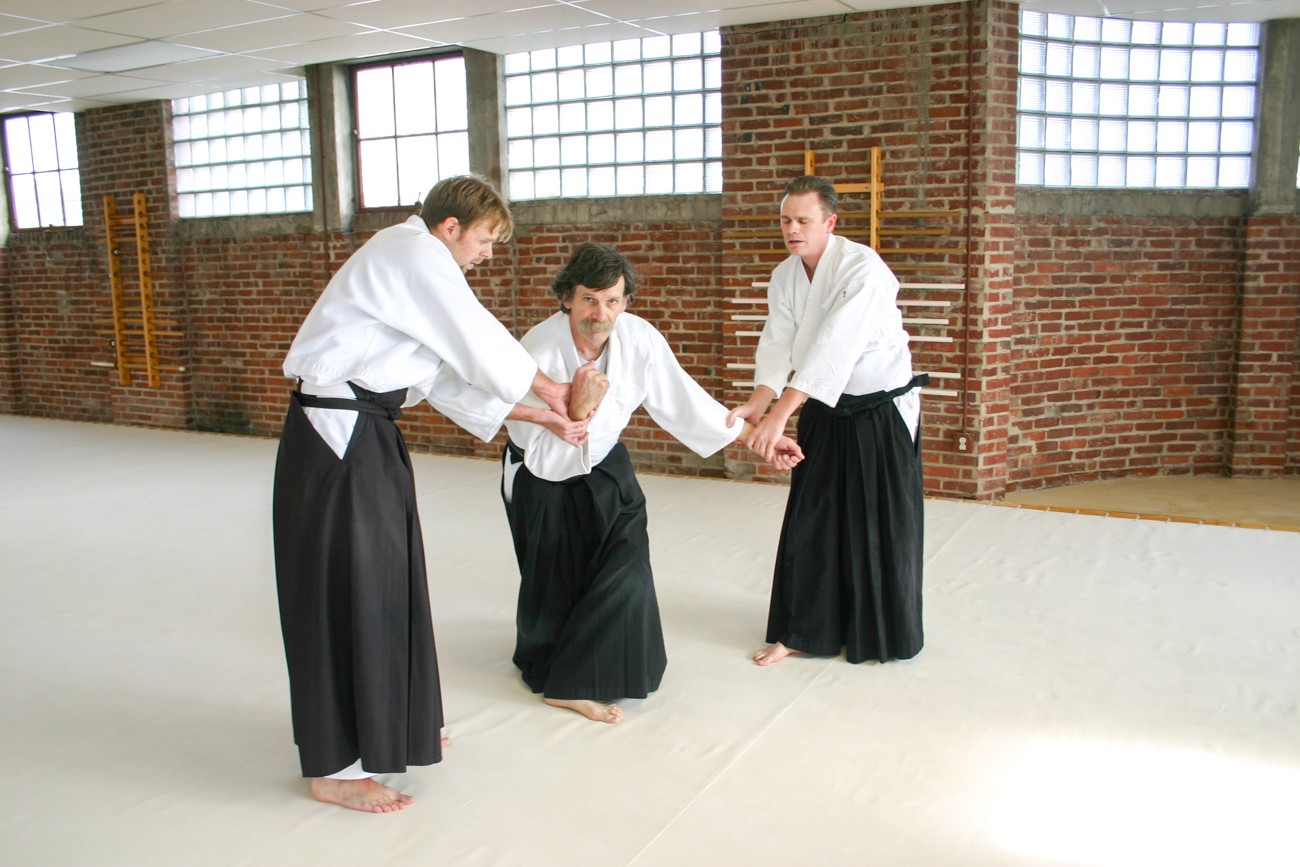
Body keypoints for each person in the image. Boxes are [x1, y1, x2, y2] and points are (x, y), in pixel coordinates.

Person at [272, 175, 583, 813]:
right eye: (486, 239)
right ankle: (335, 765)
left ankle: (395, 725)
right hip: (336, 436)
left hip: (367, 432)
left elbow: (442, 374)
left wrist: (538, 415)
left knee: (389, 580)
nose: (489, 253)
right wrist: (552, 389)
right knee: (350, 589)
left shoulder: (413, 275)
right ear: (450, 228)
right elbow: (473, 335)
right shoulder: (411, 254)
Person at [495, 243, 802, 723]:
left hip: (606, 466)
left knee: (627, 567)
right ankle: (562, 682)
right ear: (566, 299)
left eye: (613, 301)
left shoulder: (639, 340)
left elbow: (685, 401)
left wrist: (751, 438)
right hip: (543, 475)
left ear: (626, 302)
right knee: (555, 580)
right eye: (590, 300)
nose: (601, 313)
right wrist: (577, 408)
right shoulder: (535, 352)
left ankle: (596, 670)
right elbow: (540, 449)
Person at [729, 175, 928, 667]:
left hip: (879, 407)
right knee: (811, 518)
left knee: (879, 525)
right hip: (822, 403)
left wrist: (780, 415)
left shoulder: (864, 268)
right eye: (785, 220)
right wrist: (760, 401)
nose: (792, 230)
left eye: (803, 220)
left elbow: (834, 347)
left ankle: (883, 632)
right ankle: (804, 630)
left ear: (830, 222)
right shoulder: (785, 275)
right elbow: (779, 341)